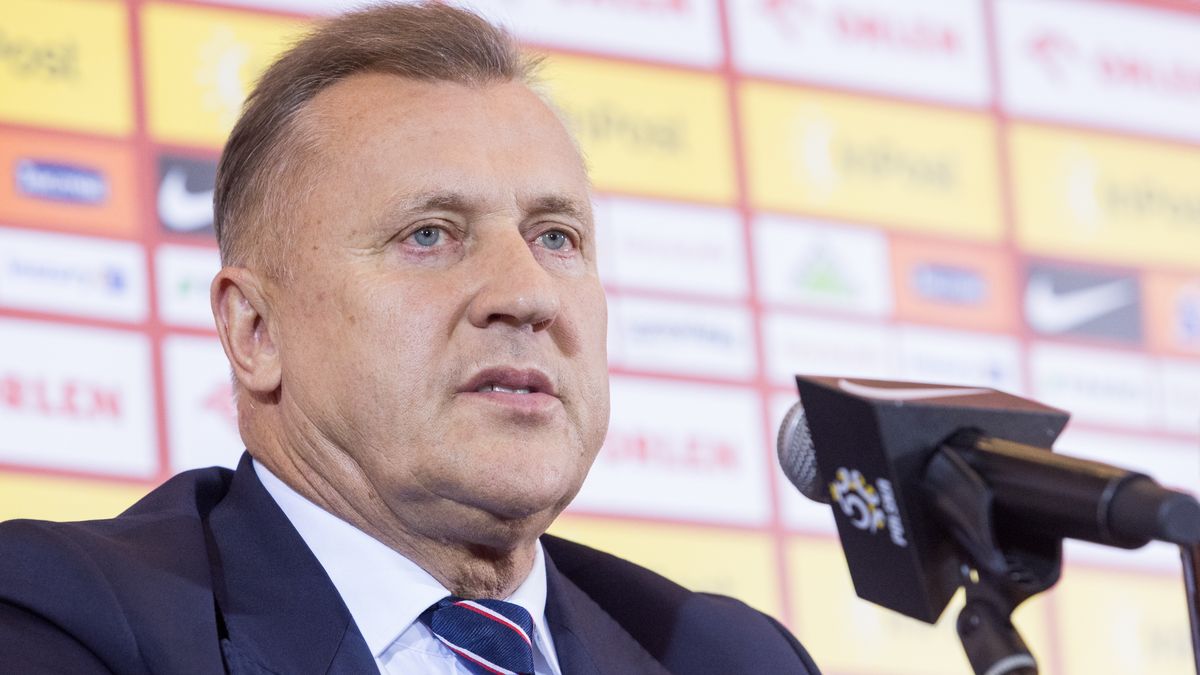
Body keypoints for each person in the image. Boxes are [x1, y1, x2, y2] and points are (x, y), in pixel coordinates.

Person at [0, 3, 820, 673]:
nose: (526, 294)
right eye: (430, 235)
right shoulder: (69, 622)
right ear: (255, 331)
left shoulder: (728, 654)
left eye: (556, 237)